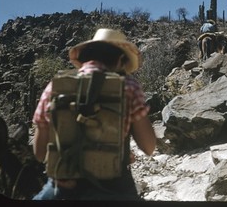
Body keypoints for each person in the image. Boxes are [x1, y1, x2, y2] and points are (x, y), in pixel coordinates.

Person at [32, 28, 157, 200]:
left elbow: (39, 154)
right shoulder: (129, 86)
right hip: (115, 188)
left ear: (85, 56)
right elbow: (149, 147)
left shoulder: (55, 86)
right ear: (121, 59)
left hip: (64, 188)